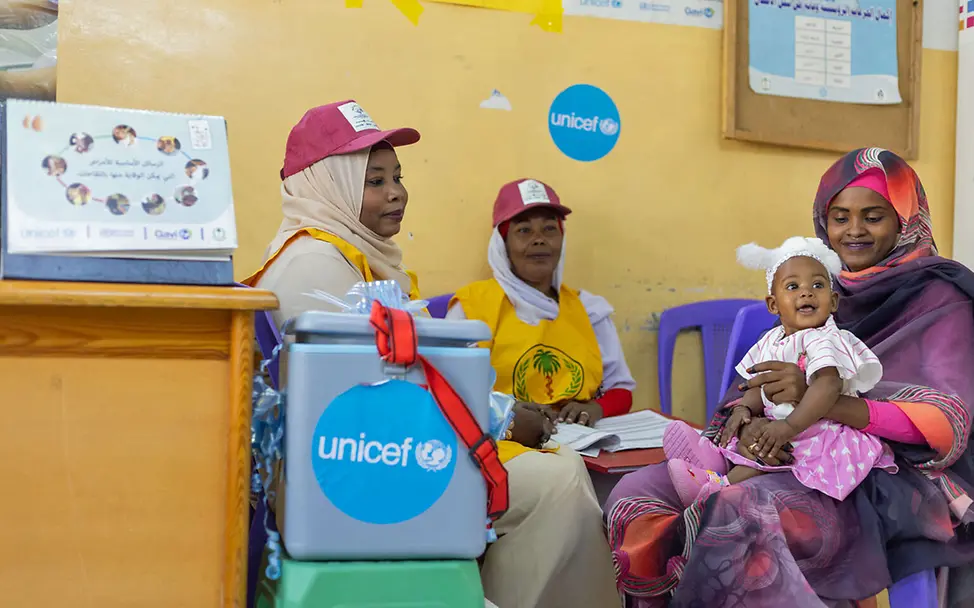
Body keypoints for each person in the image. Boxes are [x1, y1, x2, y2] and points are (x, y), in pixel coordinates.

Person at [244, 101, 621, 608]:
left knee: (559, 468)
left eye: (396, 176)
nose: (397, 192)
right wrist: (503, 421)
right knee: (555, 480)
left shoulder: (345, 256)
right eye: (374, 181)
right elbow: (377, 401)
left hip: (380, 448)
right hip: (362, 467)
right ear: (326, 183)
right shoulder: (315, 264)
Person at [605, 147, 974, 607]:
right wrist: (755, 424)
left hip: (882, 474)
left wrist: (815, 406)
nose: (854, 231)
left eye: (874, 216)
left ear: (904, 220)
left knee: (738, 513)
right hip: (789, 453)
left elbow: (943, 427)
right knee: (636, 493)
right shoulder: (814, 284)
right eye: (840, 217)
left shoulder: (939, 298)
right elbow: (759, 381)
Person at [664, 236, 895, 507]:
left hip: (819, 428)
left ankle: (716, 489)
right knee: (753, 439)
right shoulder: (771, 339)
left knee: (772, 451)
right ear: (773, 305)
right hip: (788, 425)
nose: (806, 293)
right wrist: (744, 410)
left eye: (817, 285)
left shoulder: (825, 339)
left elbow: (827, 387)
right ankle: (713, 461)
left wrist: (788, 427)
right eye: (793, 286)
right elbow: (756, 384)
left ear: (833, 302)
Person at [446, 178, 636, 465]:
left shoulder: (589, 309)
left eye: (549, 229)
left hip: (583, 446)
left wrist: (596, 408)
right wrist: (507, 413)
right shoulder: (472, 308)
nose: (539, 239)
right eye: (524, 230)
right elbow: (451, 392)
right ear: (502, 243)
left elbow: (621, 389)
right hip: (504, 448)